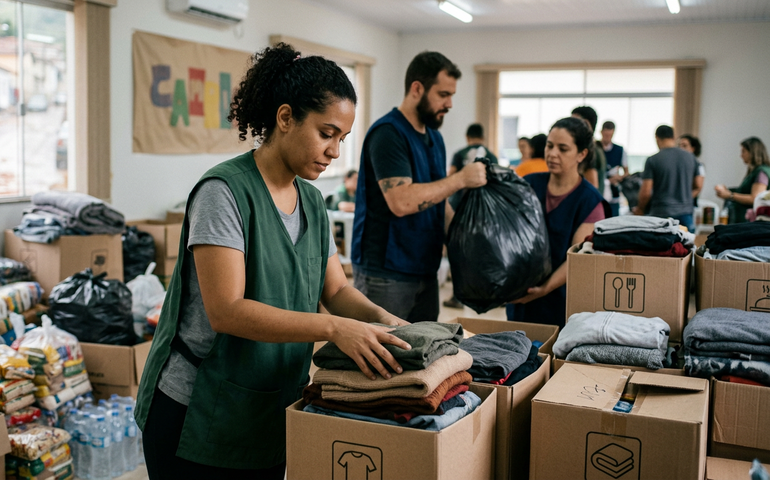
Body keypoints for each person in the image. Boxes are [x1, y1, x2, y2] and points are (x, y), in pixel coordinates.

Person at [135, 43, 412, 480]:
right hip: (199, 410)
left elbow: (335, 290)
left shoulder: (314, 203)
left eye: (342, 138)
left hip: (269, 405)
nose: (336, 151)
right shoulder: (224, 193)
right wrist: (334, 328)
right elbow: (227, 311)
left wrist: (385, 322)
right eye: (326, 133)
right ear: (285, 118)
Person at [351, 51, 487, 323]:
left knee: (422, 356)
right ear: (417, 88)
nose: (449, 104)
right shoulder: (388, 134)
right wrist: (461, 179)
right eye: (443, 94)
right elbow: (401, 201)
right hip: (386, 274)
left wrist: (465, 243)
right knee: (382, 356)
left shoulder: (435, 138)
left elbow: (439, 198)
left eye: (452, 96)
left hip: (425, 268)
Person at [506, 117, 609, 328]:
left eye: (563, 149)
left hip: (560, 301)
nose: (552, 154)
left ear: (582, 154)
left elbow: (577, 258)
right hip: (521, 297)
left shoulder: (590, 202)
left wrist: (544, 289)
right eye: (549, 145)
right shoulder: (530, 184)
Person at [634, 125, 699, 232]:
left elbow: (646, 192)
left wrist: (640, 209)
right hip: (686, 214)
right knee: (688, 247)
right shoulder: (691, 158)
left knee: (660, 248)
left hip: (661, 215)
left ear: (657, 138)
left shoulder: (653, 160)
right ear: (673, 137)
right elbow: (697, 185)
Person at [715, 137, 770, 223]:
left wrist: (730, 195)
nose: (741, 155)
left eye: (743, 151)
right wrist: (727, 191)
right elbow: (745, 191)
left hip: (749, 221)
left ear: (752, 152)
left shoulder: (762, 172)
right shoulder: (754, 171)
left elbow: (755, 198)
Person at [447, 122, 498, 210]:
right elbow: (497, 180)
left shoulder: (459, 154)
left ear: (467, 137)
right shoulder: (491, 156)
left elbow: (450, 175)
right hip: (485, 203)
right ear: (483, 138)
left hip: (460, 202)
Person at [572, 106, 606, 197]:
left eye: (574, 122)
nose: (569, 126)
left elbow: (592, 185)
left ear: (586, 123)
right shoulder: (597, 148)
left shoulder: (590, 150)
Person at [601, 121, 629, 217]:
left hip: (613, 192)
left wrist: (618, 177)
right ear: (601, 132)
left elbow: (626, 172)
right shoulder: (595, 149)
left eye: (610, 135)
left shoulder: (619, 150)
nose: (608, 137)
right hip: (599, 191)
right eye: (606, 135)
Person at [679, 134, 705, 207]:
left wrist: (684, 201)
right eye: (679, 145)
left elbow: (698, 188)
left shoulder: (698, 165)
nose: (681, 148)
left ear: (693, 148)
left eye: (684, 146)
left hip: (688, 205)